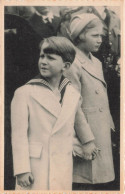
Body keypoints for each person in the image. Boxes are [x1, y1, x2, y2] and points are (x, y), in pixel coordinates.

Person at [11, 36, 99, 190]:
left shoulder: (71, 92)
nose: (43, 61)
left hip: (63, 163)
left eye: (50, 58)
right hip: (35, 165)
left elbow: (78, 120)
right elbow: (18, 136)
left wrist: (88, 142)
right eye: (41, 56)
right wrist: (22, 169)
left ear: (65, 66)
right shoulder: (25, 93)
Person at [63, 13, 115, 190]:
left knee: (100, 183)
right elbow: (73, 106)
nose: (100, 40)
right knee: (84, 182)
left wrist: (109, 125)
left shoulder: (97, 62)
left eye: (101, 35)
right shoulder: (72, 62)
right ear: (80, 35)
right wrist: (86, 141)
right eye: (95, 35)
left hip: (100, 131)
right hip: (86, 135)